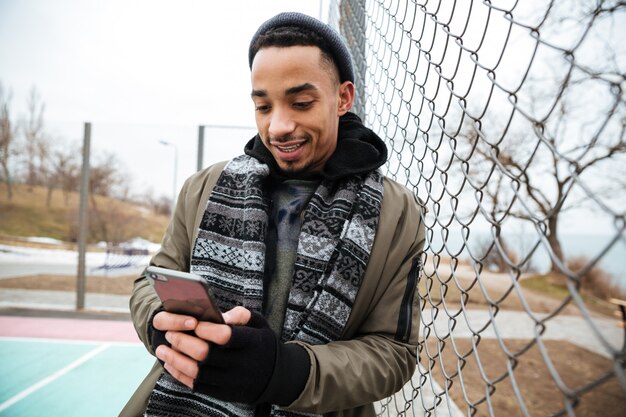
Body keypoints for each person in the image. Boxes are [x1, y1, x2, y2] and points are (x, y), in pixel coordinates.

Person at [120, 11, 425, 417]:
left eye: (301, 103)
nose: (279, 126)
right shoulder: (203, 188)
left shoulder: (396, 213)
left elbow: (393, 352)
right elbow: (150, 282)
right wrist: (161, 325)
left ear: (343, 98)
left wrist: (284, 373)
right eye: (263, 106)